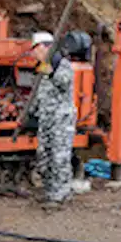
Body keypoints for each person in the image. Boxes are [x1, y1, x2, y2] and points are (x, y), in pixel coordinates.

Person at [27, 31, 76, 207]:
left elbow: (64, 82)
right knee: (45, 157)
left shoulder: (61, 65)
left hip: (61, 120)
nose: (33, 52)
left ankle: (61, 195)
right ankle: (50, 192)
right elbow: (39, 93)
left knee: (59, 158)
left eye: (36, 48)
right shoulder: (41, 68)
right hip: (46, 119)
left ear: (46, 47)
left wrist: (51, 69)